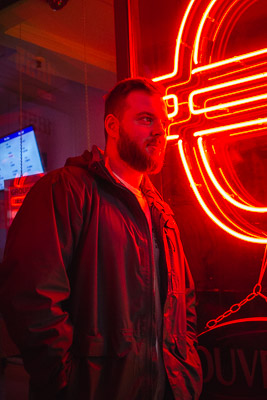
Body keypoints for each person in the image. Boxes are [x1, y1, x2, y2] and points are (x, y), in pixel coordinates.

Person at [0, 78, 202, 400]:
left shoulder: (162, 215)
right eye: (146, 119)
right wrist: (66, 383)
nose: (160, 131)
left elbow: (183, 303)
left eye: (164, 123)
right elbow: (31, 297)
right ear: (112, 125)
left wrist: (185, 371)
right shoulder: (67, 191)